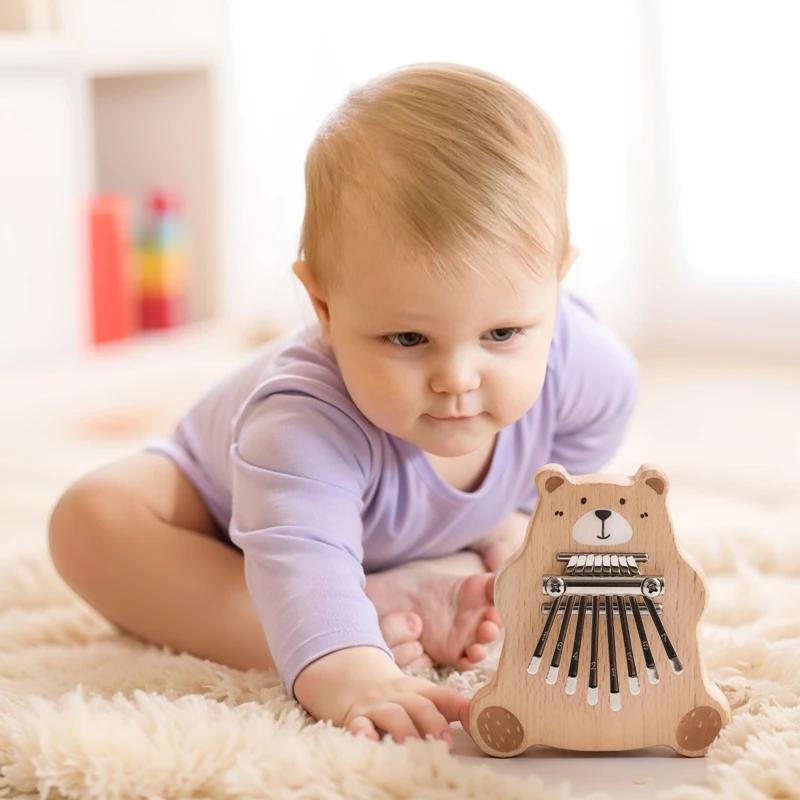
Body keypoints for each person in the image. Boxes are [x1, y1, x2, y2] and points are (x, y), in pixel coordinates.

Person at [48, 63, 638, 749]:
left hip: (370, 541)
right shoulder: (300, 425)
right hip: (219, 514)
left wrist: (521, 518)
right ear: (324, 307)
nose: (456, 377)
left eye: (502, 334)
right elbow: (297, 553)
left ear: (557, 287)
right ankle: (345, 618)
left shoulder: (587, 367)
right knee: (87, 519)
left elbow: (597, 430)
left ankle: (385, 593)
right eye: (409, 338)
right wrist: (355, 674)